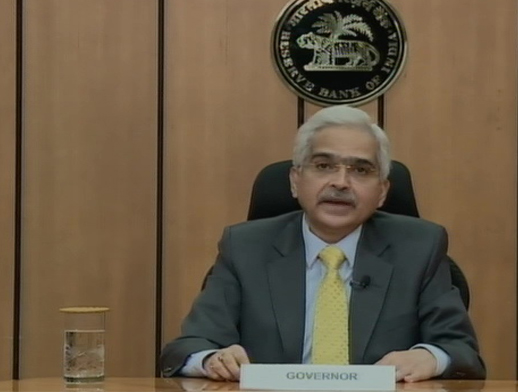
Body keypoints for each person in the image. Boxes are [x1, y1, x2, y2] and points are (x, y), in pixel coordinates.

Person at [160, 105, 486, 382]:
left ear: (382, 192)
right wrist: (212, 360)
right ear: (295, 180)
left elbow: (461, 352)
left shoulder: (420, 248)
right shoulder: (245, 247)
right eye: (323, 166)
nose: (340, 182)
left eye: (361, 170)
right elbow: (186, 348)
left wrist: (430, 357)